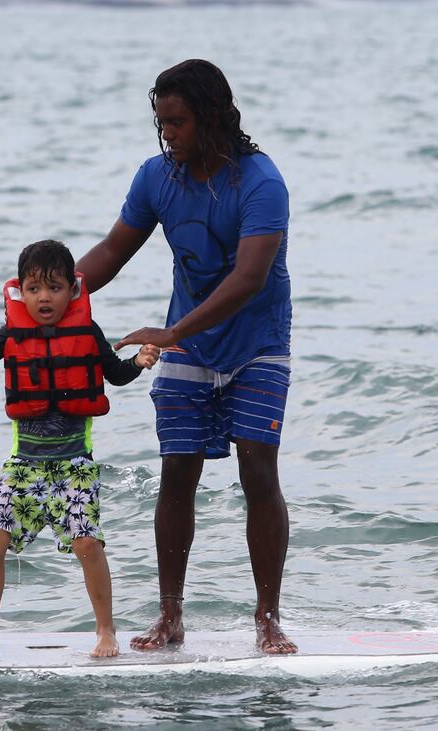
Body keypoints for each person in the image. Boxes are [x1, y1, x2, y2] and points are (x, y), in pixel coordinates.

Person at [75, 59, 297, 654]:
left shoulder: (261, 182)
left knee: (258, 470)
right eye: (162, 122)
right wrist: (52, 294)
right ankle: (170, 615)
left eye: (178, 122)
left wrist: (172, 332)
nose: (167, 133)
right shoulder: (158, 177)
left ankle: (268, 618)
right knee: (177, 470)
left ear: (214, 116)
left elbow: (249, 278)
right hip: (189, 342)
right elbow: (113, 250)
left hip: (257, 343)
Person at [0, 240, 159, 658]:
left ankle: (106, 630)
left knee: (87, 544)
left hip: (74, 465)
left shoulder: (87, 332)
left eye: (54, 287)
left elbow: (115, 374)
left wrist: (138, 362)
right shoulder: (12, 333)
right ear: (20, 291)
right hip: (24, 465)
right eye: (33, 289)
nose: (43, 297)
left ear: (72, 290)